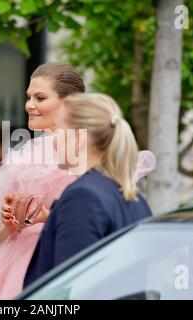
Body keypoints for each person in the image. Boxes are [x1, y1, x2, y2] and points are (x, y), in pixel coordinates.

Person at [0, 63, 156, 299]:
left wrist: (48, 216)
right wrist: (15, 222)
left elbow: (75, 282)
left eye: (40, 97)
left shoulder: (86, 192)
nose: (29, 105)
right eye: (28, 97)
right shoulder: (130, 195)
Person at [22, 93, 153, 288]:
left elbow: (73, 288)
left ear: (78, 139)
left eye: (56, 130)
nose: (51, 139)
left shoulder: (83, 197)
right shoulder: (136, 199)